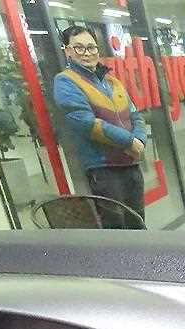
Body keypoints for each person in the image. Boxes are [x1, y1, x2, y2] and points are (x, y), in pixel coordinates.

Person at [54, 26, 147, 228]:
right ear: (68, 51)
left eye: (91, 47)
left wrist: (139, 139)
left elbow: (135, 114)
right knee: (116, 227)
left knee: (138, 221)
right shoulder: (65, 82)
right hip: (104, 169)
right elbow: (86, 123)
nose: (87, 53)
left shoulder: (112, 82)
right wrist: (129, 142)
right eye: (79, 48)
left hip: (130, 163)